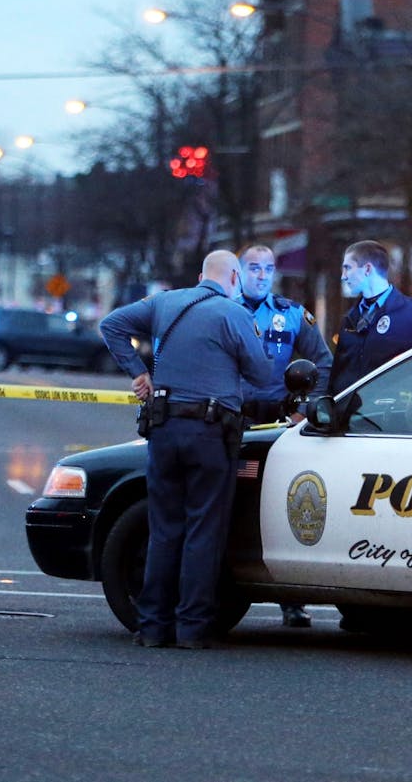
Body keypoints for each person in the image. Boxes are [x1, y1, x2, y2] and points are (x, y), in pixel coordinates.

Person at [100, 250, 273, 650]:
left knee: (164, 529)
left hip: (164, 429)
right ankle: (192, 627)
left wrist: (138, 372)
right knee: (203, 530)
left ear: (200, 277)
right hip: (211, 435)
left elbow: (112, 325)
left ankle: (153, 627)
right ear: (233, 277)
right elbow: (262, 374)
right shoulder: (234, 314)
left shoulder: (164, 302)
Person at [237, 243, 333, 629]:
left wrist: (302, 409)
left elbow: (322, 361)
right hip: (234, 418)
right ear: (239, 272)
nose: (261, 275)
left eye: (267, 269)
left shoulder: (291, 315)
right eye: (254, 268)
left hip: (280, 420)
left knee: (284, 506)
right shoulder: (223, 310)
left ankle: (291, 600)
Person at [327, 239, 412, 396]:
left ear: (367, 269)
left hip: (393, 417)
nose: (343, 276)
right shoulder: (351, 318)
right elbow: (338, 376)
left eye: (348, 268)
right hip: (350, 418)